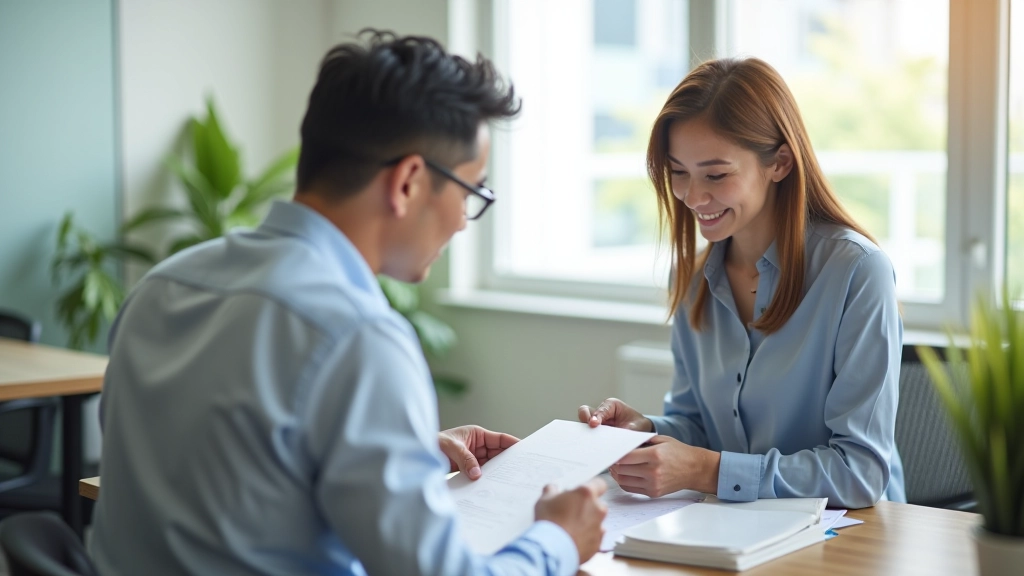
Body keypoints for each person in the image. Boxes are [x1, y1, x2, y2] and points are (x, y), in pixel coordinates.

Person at [91, 31, 606, 576]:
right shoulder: (357, 337)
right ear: (408, 182)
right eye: (470, 193)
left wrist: (407, 453)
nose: (462, 220)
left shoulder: (164, 285)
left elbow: (213, 473)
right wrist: (557, 538)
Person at [578, 57, 905, 509]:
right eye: (678, 172)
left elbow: (859, 473)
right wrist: (648, 432)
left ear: (780, 163)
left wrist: (704, 470)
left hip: (849, 538)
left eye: (715, 174)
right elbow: (699, 427)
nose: (692, 196)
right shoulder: (692, 279)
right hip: (733, 531)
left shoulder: (855, 271)